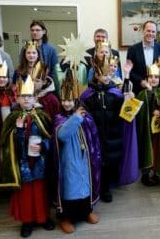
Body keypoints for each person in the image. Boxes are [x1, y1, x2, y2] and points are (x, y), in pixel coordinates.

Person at [0, 75, 54, 237]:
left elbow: (51, 137)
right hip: (22, 162)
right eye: (23, 96)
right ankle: (27, 221)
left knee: (40, 191)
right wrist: (19, 130)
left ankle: (43, 218)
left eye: (29, 96)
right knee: (25, 193)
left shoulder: (42, 115)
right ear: (17, 98)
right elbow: (6, 141)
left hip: (40, 161)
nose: (26, 99)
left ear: (35, 97)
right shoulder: (13, 117)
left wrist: (43, 145)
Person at [81, 55, 137, 202]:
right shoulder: (88, 95)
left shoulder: (115, 94)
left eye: (108, 74)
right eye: (103, 74)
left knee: (110, 162)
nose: (106, 77)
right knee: (97, 161)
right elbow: (84, 114)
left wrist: (128, 100)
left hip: (113, 135)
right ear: (96, 74)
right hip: (96, 135)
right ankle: (96, 186)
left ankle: (106, 187)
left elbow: (125, 113)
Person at [53, 70, 101, 234]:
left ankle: (85, 212)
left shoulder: (84, 115)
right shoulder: (60, 118)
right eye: (64, 100)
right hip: (68, 161)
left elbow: (92, 135)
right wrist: (75, 118)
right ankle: (66, 217)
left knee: (84, 185)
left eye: (70, 100)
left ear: (76, 100)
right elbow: (62, 135)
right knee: (70, 186)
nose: (67, 103)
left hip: (84, 160)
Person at [136, 63, 160, 186]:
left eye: (156, 77)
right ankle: (145, 174)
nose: (153, 79)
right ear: (146, 78)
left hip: (158, 130)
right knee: (146, 150)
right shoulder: (142, 93)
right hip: (146, 129)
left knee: (156, 150)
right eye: (151, 77)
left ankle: (155, 173)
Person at [127, 20, 160, 94]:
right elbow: (129, 71)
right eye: (148, 31)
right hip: (139, 91)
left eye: (153, 31)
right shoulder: (132, 49)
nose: (151, 34)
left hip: (158, 92)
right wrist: (141, 81)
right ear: (143, 31)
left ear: (156, 33)